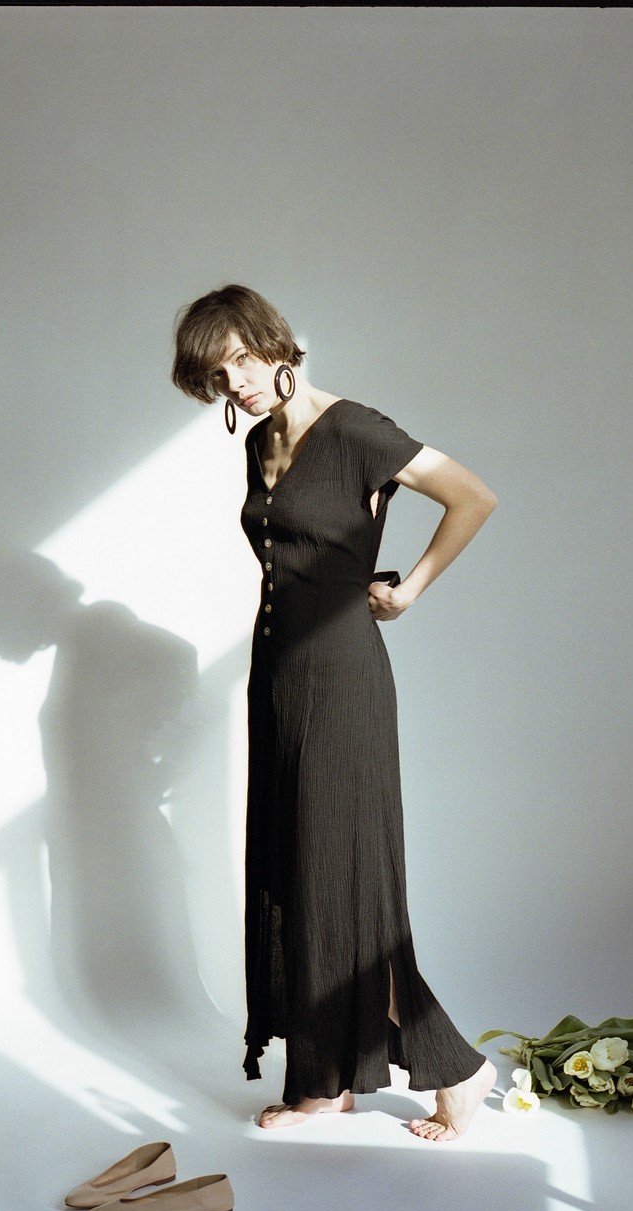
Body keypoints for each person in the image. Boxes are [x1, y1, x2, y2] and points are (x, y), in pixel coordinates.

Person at [171, 284, 498, 1141]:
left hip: (344, 677)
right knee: (299, 875)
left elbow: (472, 495)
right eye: (218, 376)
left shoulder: (355, 431)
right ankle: (325, 1080)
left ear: (276, 343)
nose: (236, 383)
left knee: (344, 881)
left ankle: (457, 1066)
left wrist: (411, 588)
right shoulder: (260, 445)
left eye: (243, 360)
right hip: (277, 676)